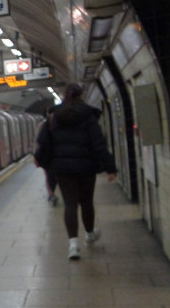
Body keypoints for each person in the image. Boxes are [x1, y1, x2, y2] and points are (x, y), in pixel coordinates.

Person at [35, 83, 117, 260]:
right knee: (86, 202)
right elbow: (99, 144)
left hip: (62, 169)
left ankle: (73, 245)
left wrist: (47, 165)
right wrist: (110, 168)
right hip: (86, 167)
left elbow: (44, 143)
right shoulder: (89, 116)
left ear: (64, 95)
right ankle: (89, 234)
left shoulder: (54, 116)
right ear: (81, 95)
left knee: (70, 204)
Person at [36, 106, 59, 207]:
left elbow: (39, 141)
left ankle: (53, 193)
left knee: (51, 176)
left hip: (50, 158)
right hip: (49, 158)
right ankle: (52, 193)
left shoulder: (44, 126)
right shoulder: (43, 125)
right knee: (50, 176)